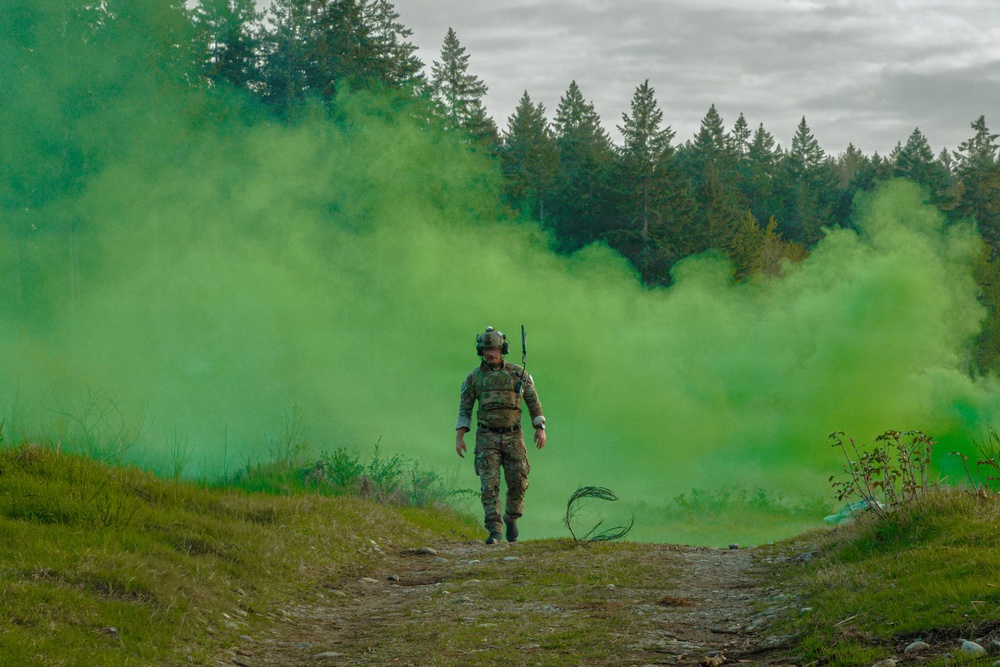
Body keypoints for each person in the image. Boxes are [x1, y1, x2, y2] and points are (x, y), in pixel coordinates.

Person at [455, 326, 546, 544]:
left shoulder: (518, 373)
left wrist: (540, 427)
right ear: (480, 350)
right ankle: (494, 529)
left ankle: (512, 518)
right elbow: (465, 409)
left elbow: (533, 402)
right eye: (486, 348)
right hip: (487, 437)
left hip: (514, 436)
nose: (490, 353)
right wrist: (460, 438)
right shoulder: (474, 378)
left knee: (518, 481)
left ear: (502, 349)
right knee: (489, 485)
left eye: (494, 348)